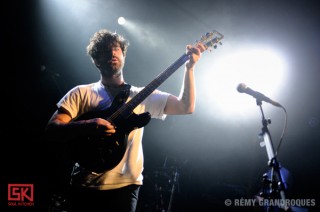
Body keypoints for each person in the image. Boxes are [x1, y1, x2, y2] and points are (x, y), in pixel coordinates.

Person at [45, 28, 204, 212]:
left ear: (123, 56)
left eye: (117, 49)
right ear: (96, 60)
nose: (113, 52)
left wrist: (190, 68)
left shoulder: (143, 95)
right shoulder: (81, 92)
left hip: (126, 188)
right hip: (84, 185)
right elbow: (52, 129)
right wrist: (88, 126)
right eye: (106, 50)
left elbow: (186, 107)